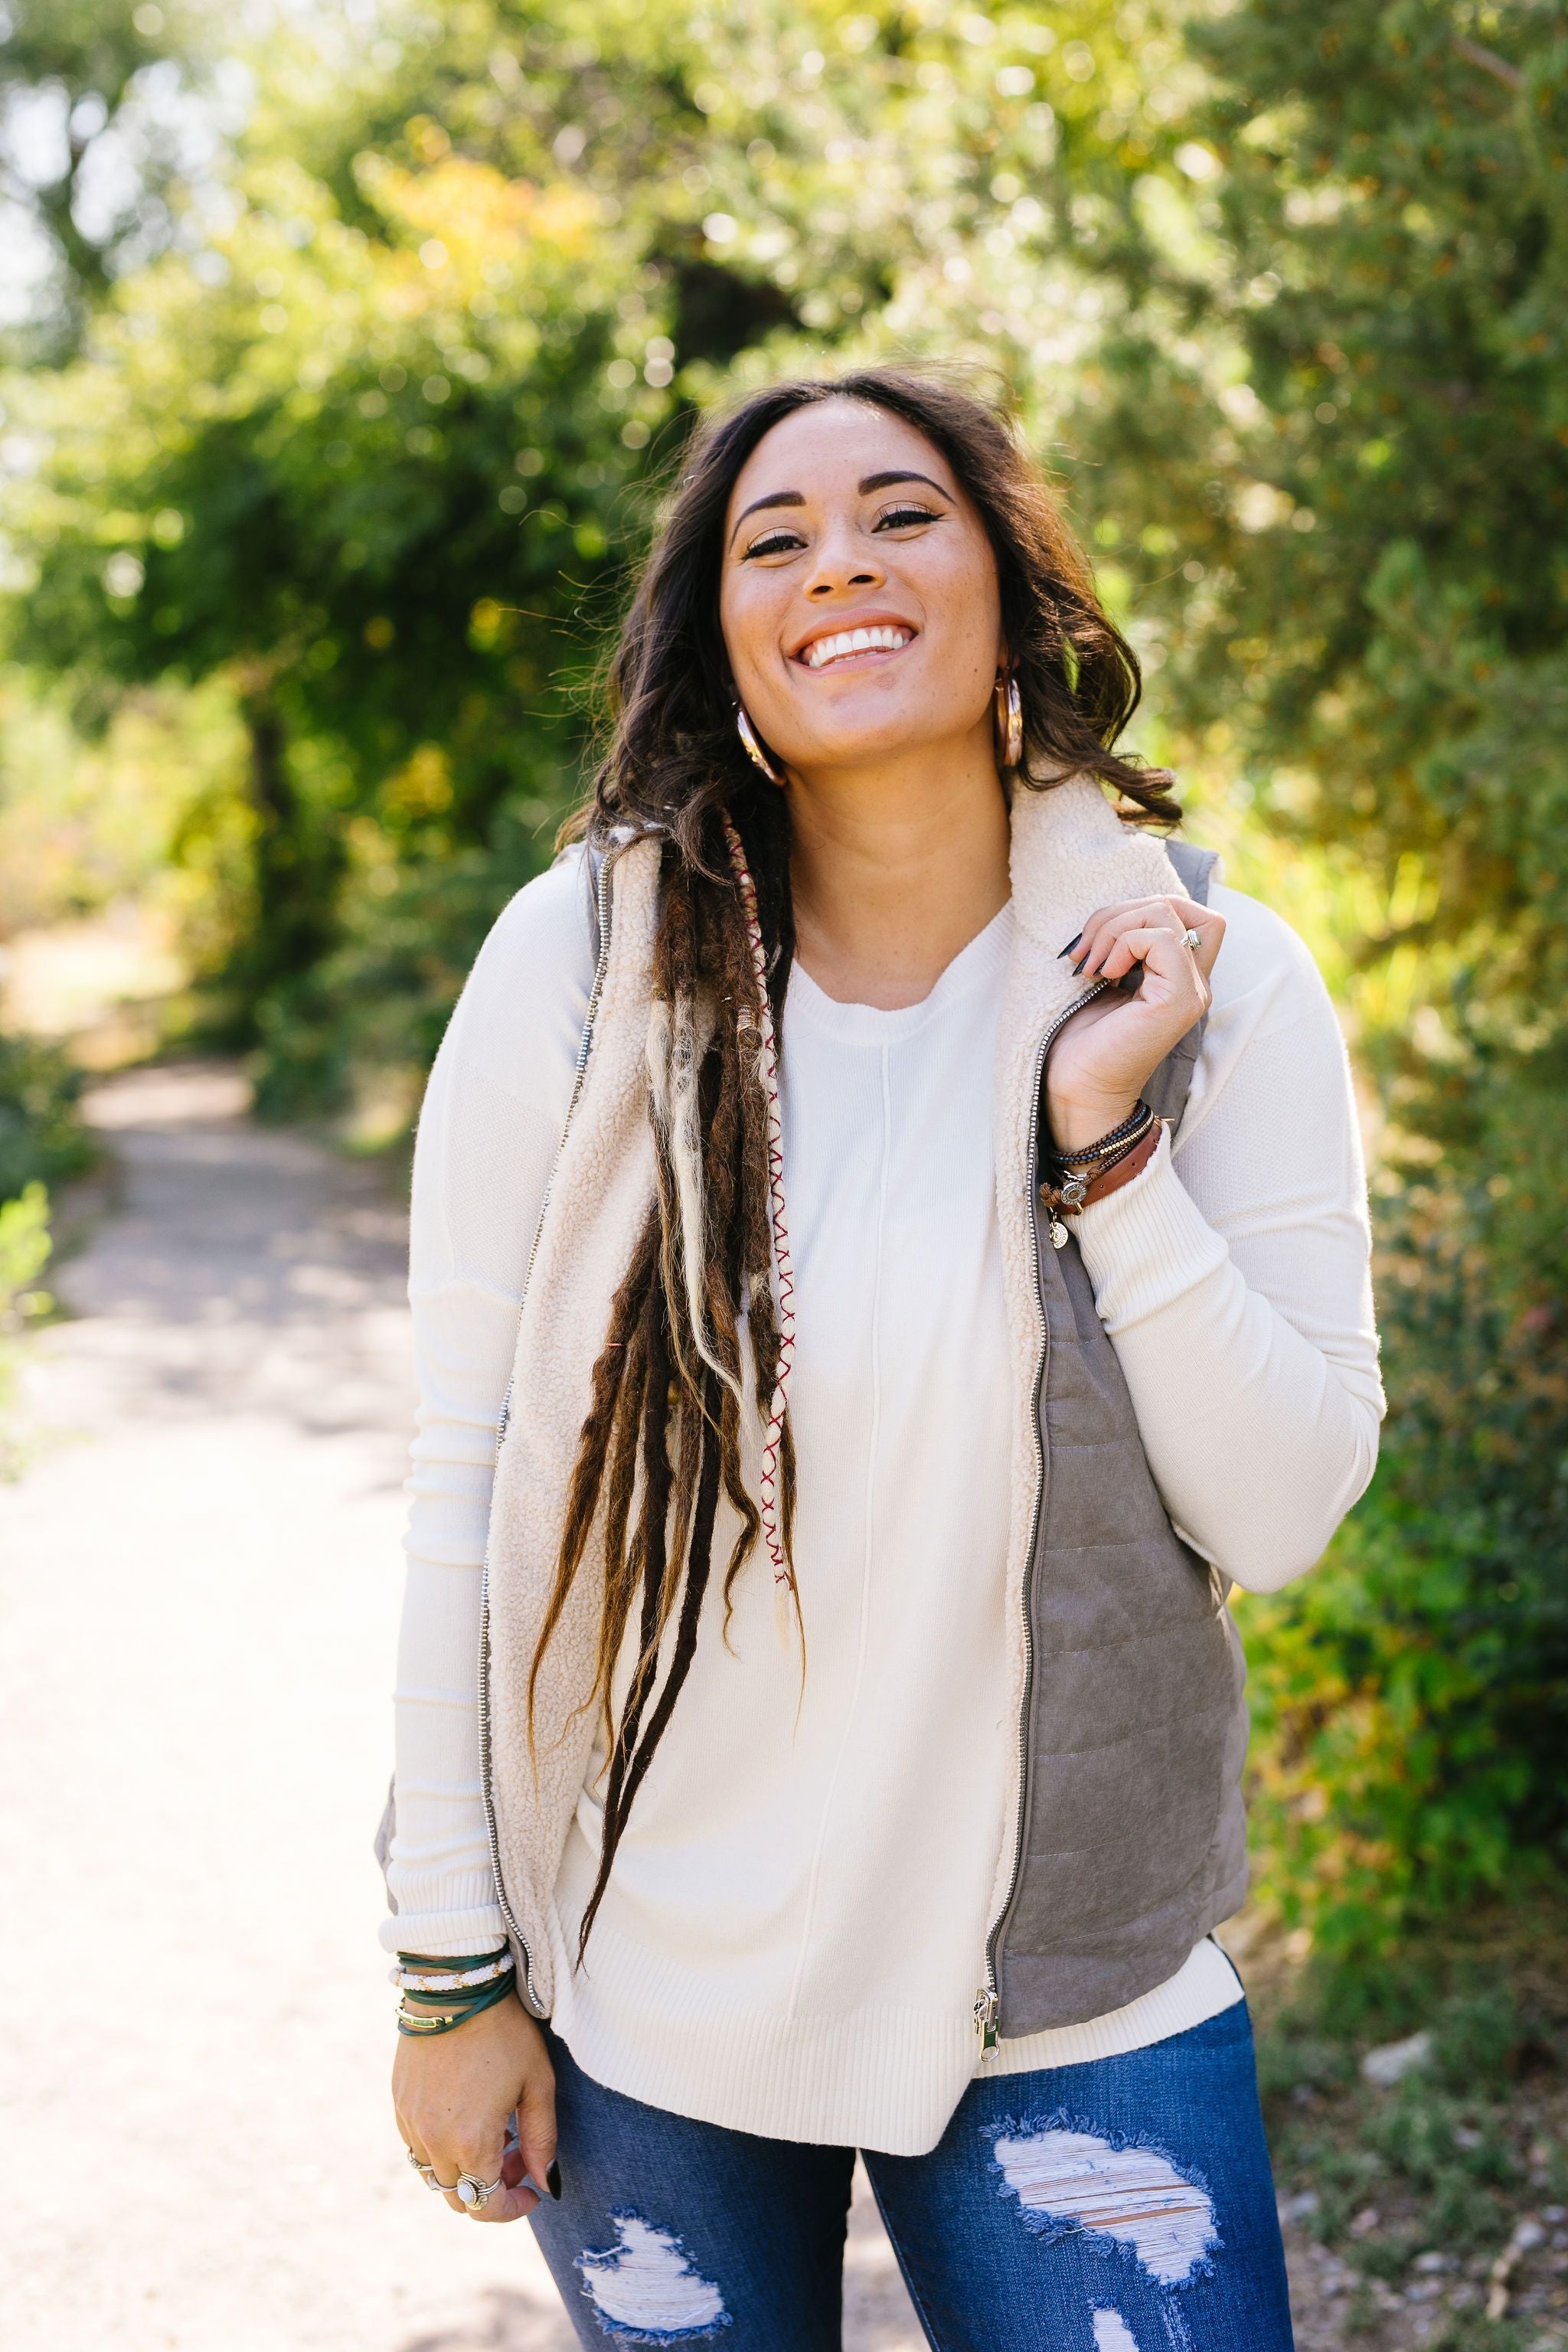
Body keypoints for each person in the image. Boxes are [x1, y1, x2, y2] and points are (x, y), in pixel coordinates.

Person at [381, 368, 1382, 2350]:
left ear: (1006, 579)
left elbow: (1283, 1512)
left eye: (901, 514)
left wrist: (1106, 1144)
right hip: (644, 1987)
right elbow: (465, 1483)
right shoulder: (584, 972)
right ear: (724, 631)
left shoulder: (1211, 978)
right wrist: (446, 1973)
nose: (840, 559)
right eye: (777, 536)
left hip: (1074, 1997)